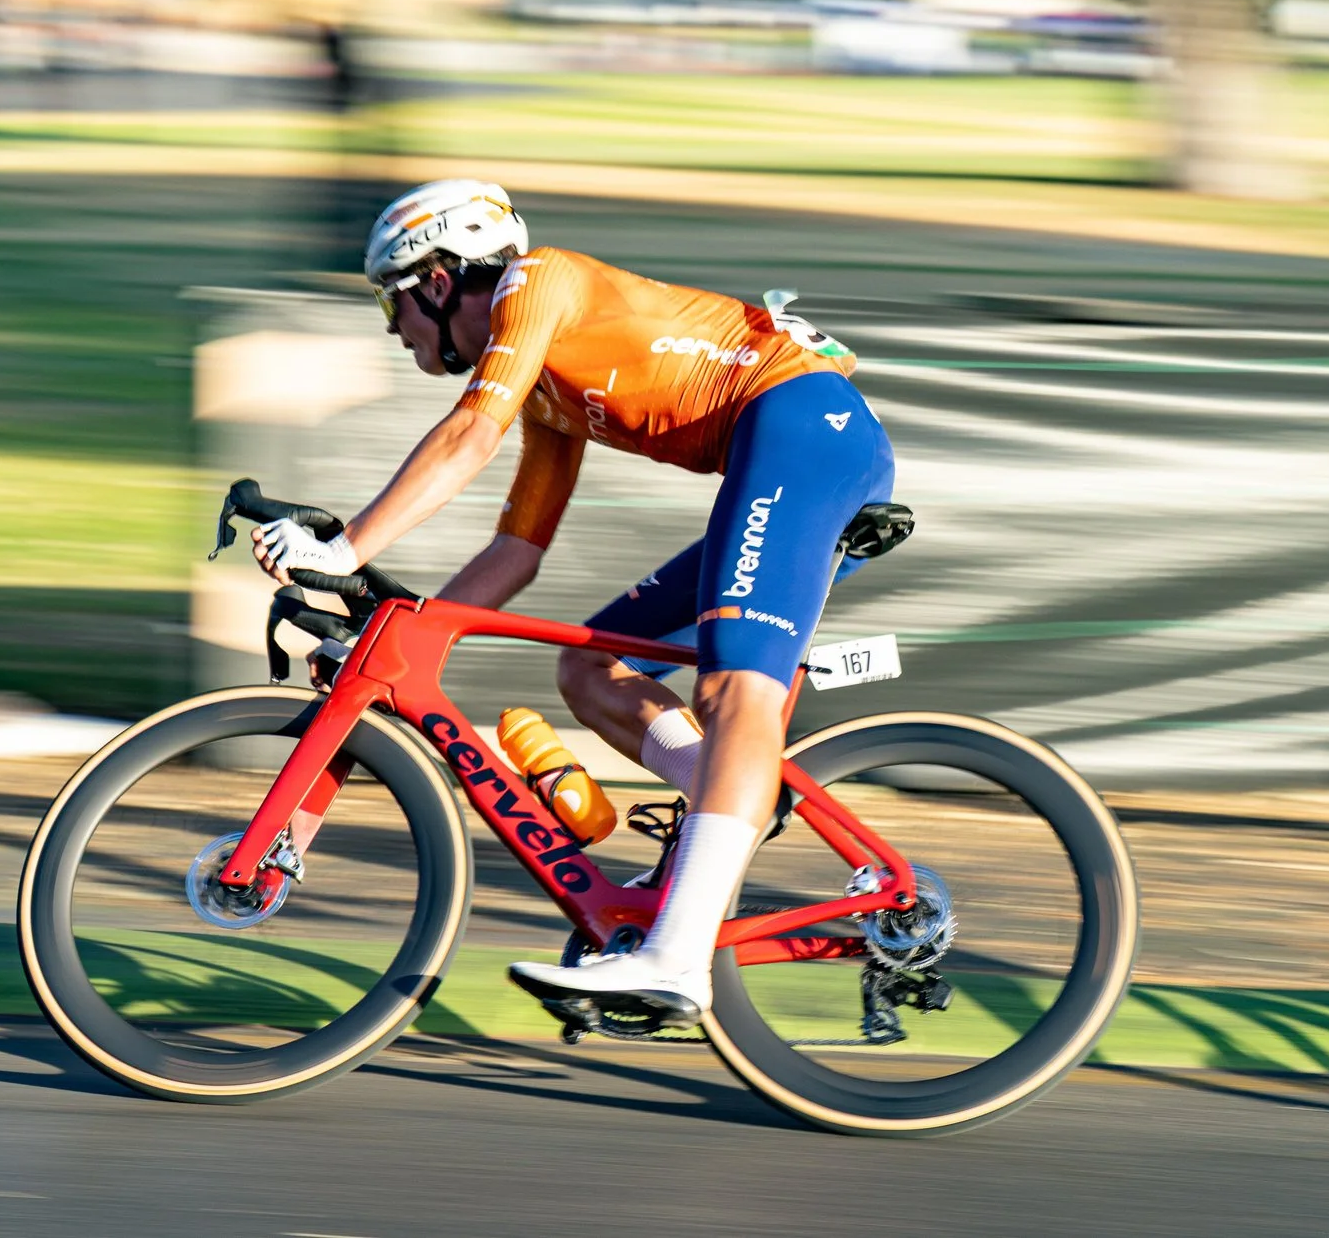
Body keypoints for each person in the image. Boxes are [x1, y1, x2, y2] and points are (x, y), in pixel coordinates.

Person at [250, 177, 895, 1026]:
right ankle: (729, 798)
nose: (392, 327)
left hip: (802, 426)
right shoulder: (548, 390)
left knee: (733, 692)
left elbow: (468, 435)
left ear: (439, 283)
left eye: (391, 302)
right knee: (590, 667)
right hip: (783, 444)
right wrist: (397, 633)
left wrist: (345, 548)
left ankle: (676, 959)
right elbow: (517, 552)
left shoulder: (536, 283)